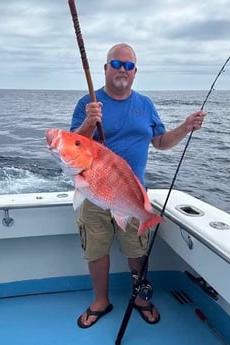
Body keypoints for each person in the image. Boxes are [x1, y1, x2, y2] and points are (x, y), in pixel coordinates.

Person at [70, 43, 206, 328]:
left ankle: (141, 298)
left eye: (128, 66)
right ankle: (100, 301)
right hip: (94, 193)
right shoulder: (88, 102)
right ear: (105, 68)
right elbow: (74, 146)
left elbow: (160, 142)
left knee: (136, 250)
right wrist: (89, 122)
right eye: (116, 64)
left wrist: (184, 126)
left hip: (131, 194)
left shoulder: (145, 105)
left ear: (135, 72)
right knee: (95, 250)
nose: (122, 70)